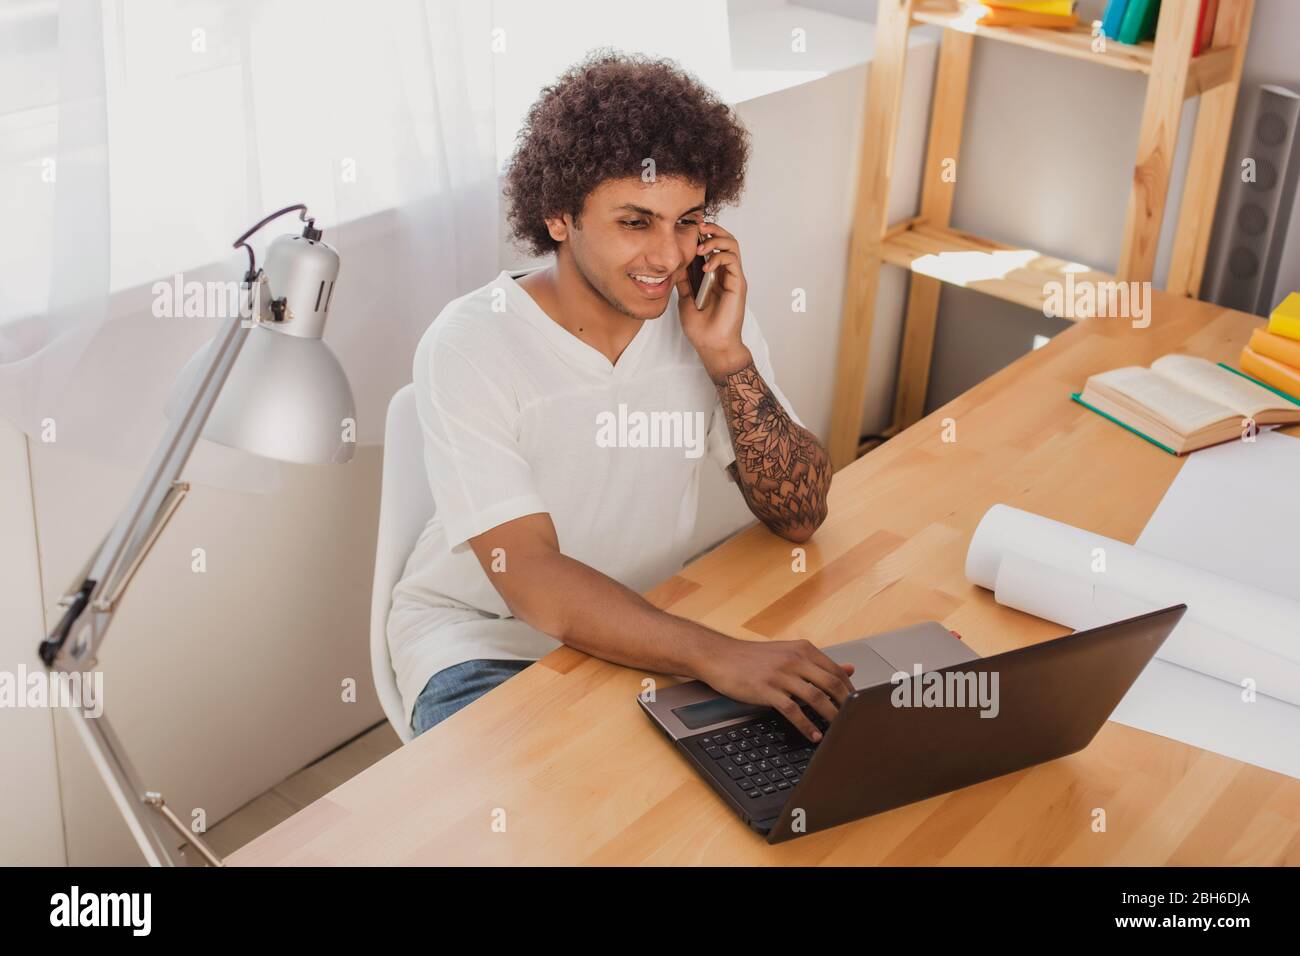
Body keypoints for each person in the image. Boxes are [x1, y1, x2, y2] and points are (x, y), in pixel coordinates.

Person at [389, 50, 849, 743]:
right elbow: (532, 577)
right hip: (484, 646)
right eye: (636, 222)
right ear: (558, 216)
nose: (667, 257)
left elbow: (800, 515)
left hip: (644, 627)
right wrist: (715, 654)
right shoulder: (471, 342)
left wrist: (728, 359)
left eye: (688, 220)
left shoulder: (707, 312)